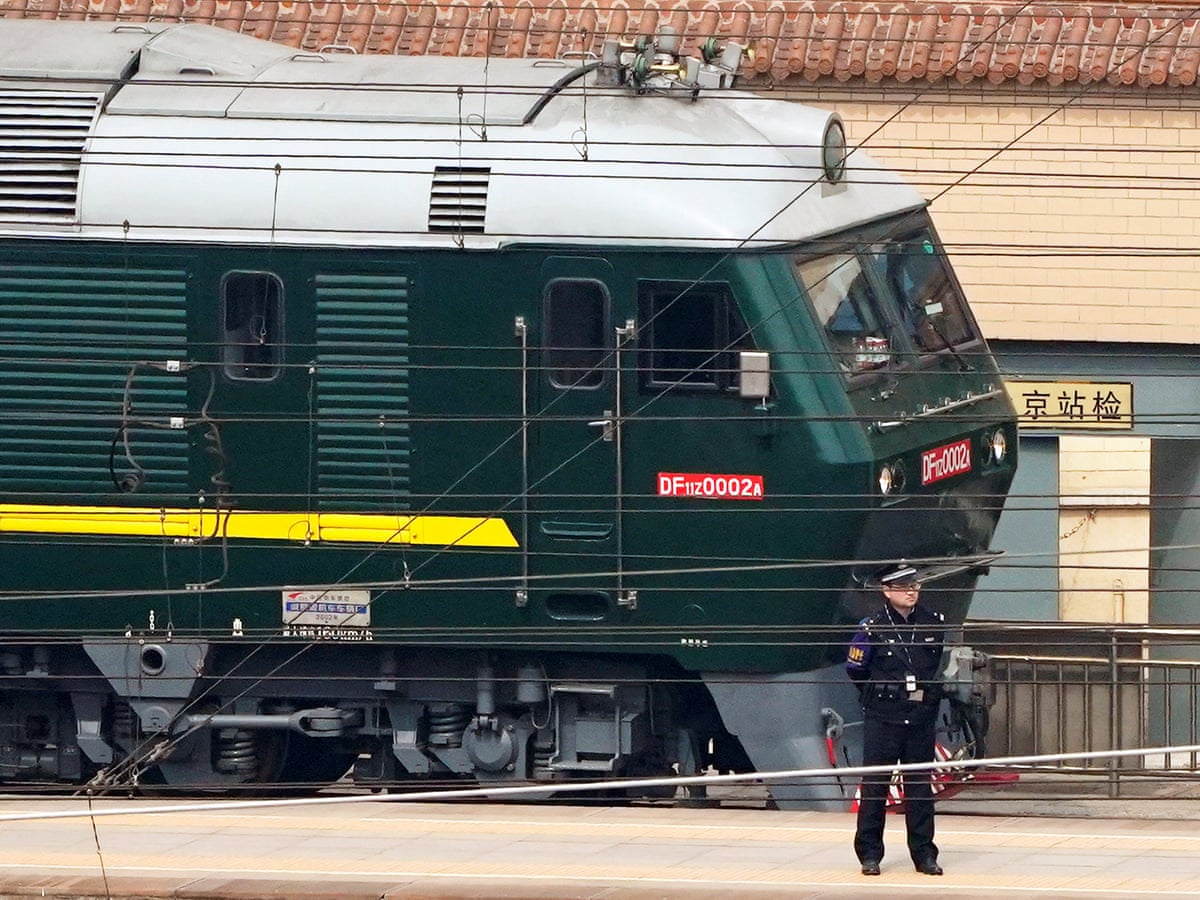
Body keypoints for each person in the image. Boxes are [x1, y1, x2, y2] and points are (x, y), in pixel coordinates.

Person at [845, 563, 946, 877]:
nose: (911, 591)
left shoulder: (932, 622)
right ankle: (870, 854)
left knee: (919, 789)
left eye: (914, 584)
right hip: (883, 717)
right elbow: (856, 670)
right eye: (903, 586)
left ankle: (924, 855)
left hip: (919, 717)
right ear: (886, 591)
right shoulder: (872, 627)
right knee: (875, 788)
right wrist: (882, 694)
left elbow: (933, 665)